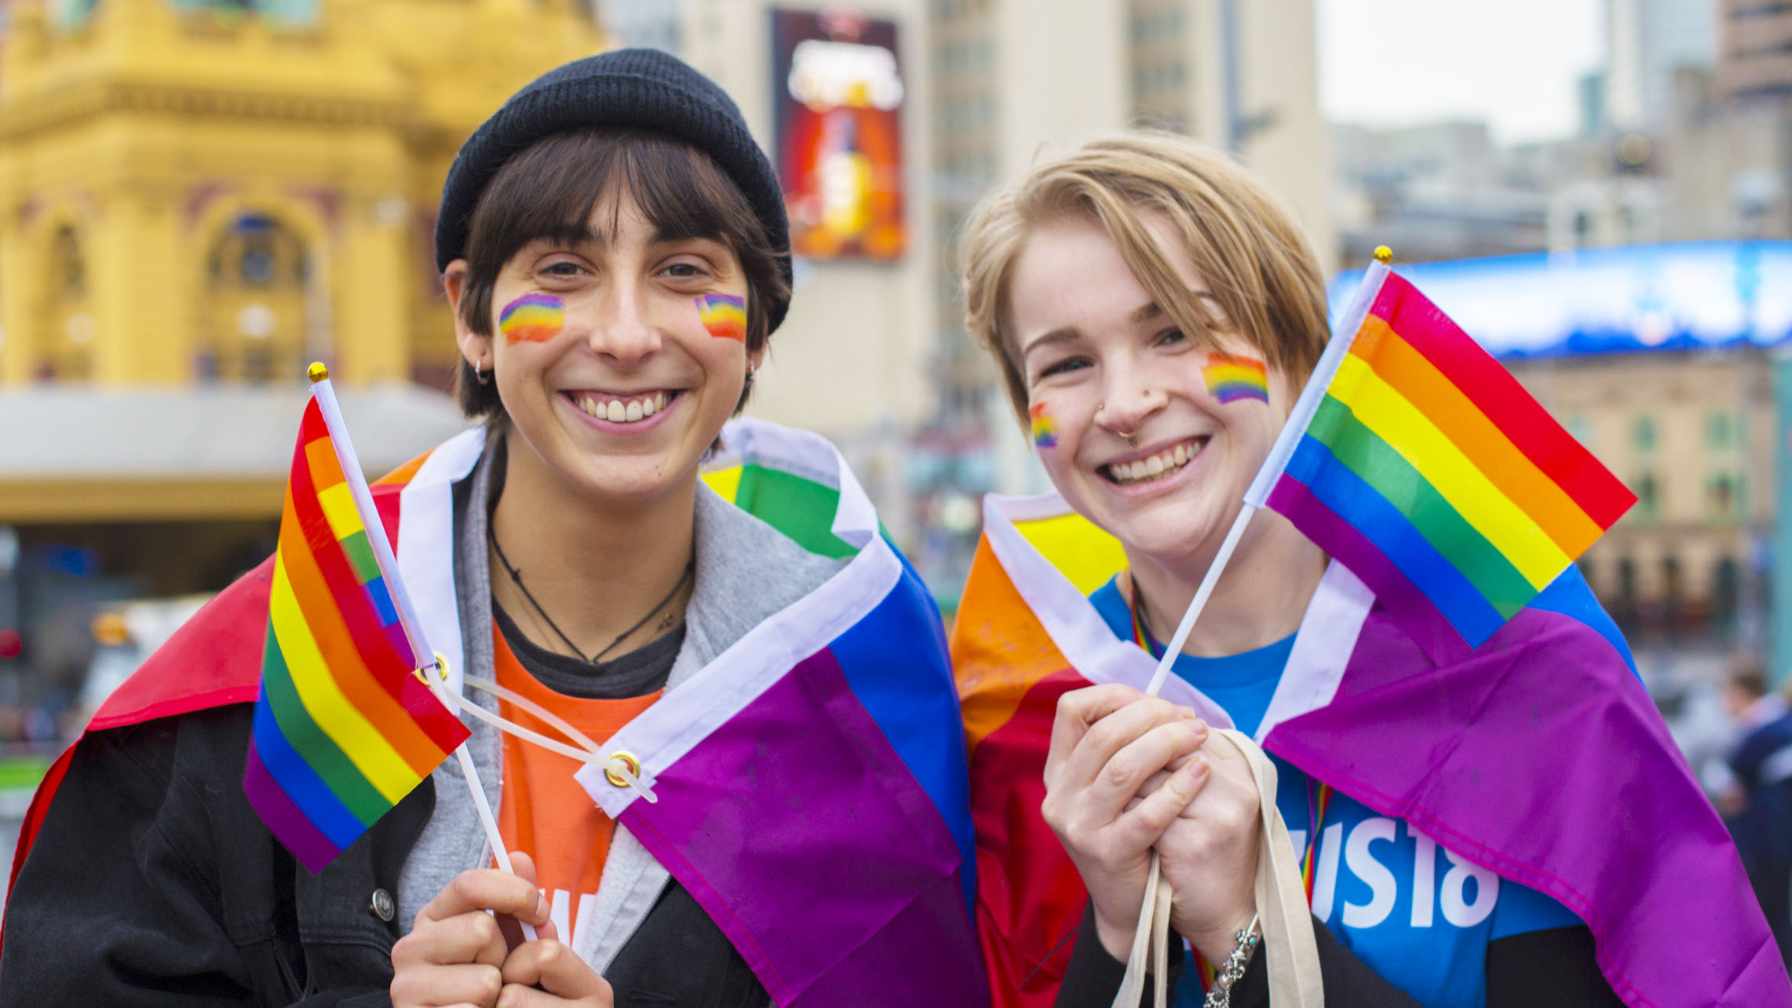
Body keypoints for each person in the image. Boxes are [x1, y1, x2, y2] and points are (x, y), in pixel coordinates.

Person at [0, 50, 984, 1008]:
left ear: (758, 330)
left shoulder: (855, 684)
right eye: (563, 269)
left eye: (685, 270)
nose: (628, 333)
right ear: (470, 318)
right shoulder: (287, 659)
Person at [951, 131, 1785, 1007]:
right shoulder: (1033, 717)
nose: (1124, 404)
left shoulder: (1520, 672)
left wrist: (1251, 925)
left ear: (1301, 357)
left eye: (1175, 331)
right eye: (1068, 364)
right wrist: (1117, 936)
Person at [1719, 656, 1792, 961]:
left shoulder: (1766, 730)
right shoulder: (1771, 727)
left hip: (1764, 841)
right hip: (1771, 840)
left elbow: (1732, 786)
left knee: (1764, 912)